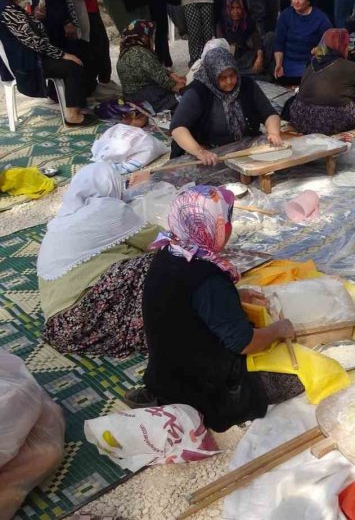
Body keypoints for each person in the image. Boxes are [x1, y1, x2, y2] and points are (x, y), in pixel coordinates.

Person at [133, 186, 303, 428]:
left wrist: (235, 296)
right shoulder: (208, 278)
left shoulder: (170, 251)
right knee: (297, 376)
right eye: (226, 221)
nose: (229, 228)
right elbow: (244, 344)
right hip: (203, 392)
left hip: (165, 376)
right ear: (210, 226)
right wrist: (279, 329)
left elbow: (186, 300)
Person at [36, 163, 161, 357]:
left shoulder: (63, 219)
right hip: (86, 316)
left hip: (61, 330)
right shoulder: (107, 208)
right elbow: (159, 240)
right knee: (166, 262)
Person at [0, 0, 97, 125]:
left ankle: (73, 106)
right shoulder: (6, 10)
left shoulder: (8, 5)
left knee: (73, 57)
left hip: (27, 59)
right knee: (73, 65)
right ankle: (73, 116)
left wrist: (37, 18)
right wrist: (62, 55)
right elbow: (34, 41)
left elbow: (30, 33)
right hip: (27, 64)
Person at [170, 47, 283, 162]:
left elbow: (269, 114)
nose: (229, 81)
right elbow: (178, 128)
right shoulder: (198, 91)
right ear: (212, 75)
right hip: (209, 153)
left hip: (244, 148)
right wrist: (199, 151)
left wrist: (273, 133)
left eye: (232, 75)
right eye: (222, 78)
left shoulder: (247, 85)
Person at [289, 28, 355, 134]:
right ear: (341, 45)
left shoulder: (312, 62)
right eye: (346, 44)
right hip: (327, 120)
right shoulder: (346, 66)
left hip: (299, 116)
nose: (348, 48)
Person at [117, 20, 185, 113]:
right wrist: (185, 89)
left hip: (130, 98)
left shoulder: (124, 53)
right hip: (147, 98)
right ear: (144, 37)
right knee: (184, 101)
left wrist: (170, 73)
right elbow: (166, 83)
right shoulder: (141, 53)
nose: (152, 40)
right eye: (151, 37)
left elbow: (152, 68)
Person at [273, 0, 332, 85]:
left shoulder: (321, 18)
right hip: (288, 65)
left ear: (308, 1)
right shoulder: (286, 15)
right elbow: (279, 43)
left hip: (310, 65)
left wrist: (319, 50)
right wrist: (279, 64)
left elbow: (330, 45)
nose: (296, 2)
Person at [216, 0, 266, 76]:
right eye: (232, 8)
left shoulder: (248, 22)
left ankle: (253, 69)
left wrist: (259, 58)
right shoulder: (222, 24)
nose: (236, 11)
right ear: (228, 9)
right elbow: (221, 46)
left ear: (242, 8)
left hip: (247, 56)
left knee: (270, 38)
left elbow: (257, 41)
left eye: (238, 7)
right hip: (230, 58)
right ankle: (246, 71)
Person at [73, 0, 112, 84]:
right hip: (83, 11)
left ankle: (104, 80)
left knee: (102, 45)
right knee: (93, 47)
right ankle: (95, 82)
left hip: (91, 8)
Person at [181, 0, 216, 66]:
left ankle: (208, 59)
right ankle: (195, 62)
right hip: (189, 0)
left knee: (208, 33)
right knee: (194, 33)